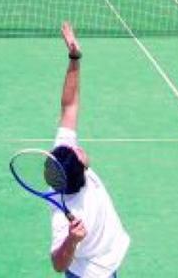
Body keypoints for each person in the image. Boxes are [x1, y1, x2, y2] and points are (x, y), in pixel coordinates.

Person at [50, 22, 129, 277]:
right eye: (79, 153)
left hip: (109, 261)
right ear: (81, 169)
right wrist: (72, 240)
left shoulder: (62, 159)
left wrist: (74, 57)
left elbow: (69, 105)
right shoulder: (65, 215)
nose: (79, 149)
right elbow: (57, 264)